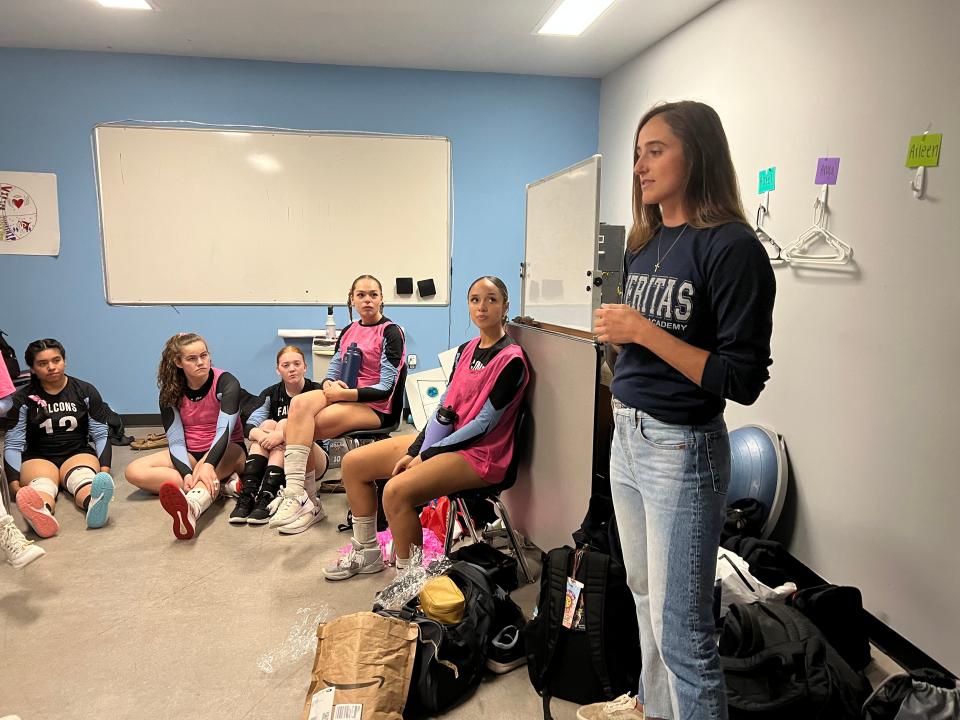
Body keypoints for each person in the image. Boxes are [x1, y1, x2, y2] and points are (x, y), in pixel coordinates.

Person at [579, 101, 776, 720]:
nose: (640, 165)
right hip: (629, 437)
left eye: (655, 149)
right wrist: (616, 341)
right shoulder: (646, 243)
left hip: (682, 448)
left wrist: (641, 330)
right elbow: (637, 348)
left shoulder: (733, 248)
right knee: (643, 599)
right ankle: (654, 710)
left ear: (699, 154)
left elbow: (740, 380)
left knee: (683, 631)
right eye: (638, 152)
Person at [324, 275, 529, 581]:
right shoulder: (466, 350)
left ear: (505, 306)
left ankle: (410, 581)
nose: (482, 307)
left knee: (395, 492)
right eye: (475, 300)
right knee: (354, 464)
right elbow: (444, 409)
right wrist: (416, 448)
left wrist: (427, 454)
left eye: (491, 299)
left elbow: (484, 425)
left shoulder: (512, 360)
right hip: (448, 442)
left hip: (482, 455)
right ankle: (366, 552)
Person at [271, 275, 405, 530]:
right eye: (361, 295)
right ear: (352, 300)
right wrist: (329, 385)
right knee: (298, 407)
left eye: (373, 294)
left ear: (381, 299)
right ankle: (299, 496)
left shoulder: (390, 332)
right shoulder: (349, 331)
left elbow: (386, 388)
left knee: (296, 428)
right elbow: (333, 369)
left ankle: (306, 500)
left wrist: (344, 395)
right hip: (344, 396)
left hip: (376, 407)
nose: (367, 300)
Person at [124, 333, 246, 540]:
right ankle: (218, 486)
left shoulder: (226, 382)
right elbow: (177, 440)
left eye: (204, 355)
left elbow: (224, 431)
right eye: (192, 358)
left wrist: (207, 465)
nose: (201, 362)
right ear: (178, 362)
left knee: (203, 471)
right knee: (133, 471)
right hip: (190, 452)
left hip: (228, 449)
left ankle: (192, 509)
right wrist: (186, 472)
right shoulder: (170, 391)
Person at [2, 339, 115, 538]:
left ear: (65, 361)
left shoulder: (85, 390)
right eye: (43, 363)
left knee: (83, 478)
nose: (52, 367)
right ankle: (40, 513)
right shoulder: (23, 399)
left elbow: (100, 432)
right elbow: (13, 443)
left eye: (57, 360)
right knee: (43, 485)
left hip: (77, 452)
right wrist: (14, 484)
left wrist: (104, 471)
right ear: (33, 369)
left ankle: (94, 504)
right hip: (39, 457)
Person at [231, 345, 327, 531]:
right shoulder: (271, 393)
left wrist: (282, 435)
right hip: (282, 461)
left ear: (305, 367)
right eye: (286, 365)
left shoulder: (316, 391)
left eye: (296, 364)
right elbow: (249, 426)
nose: (292, 369)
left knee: (284, 423)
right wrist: (264, 435)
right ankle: (250, 496)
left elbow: (326, 431)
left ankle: (268, 491)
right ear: (278, 370)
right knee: (265, 426)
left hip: (314, 459)